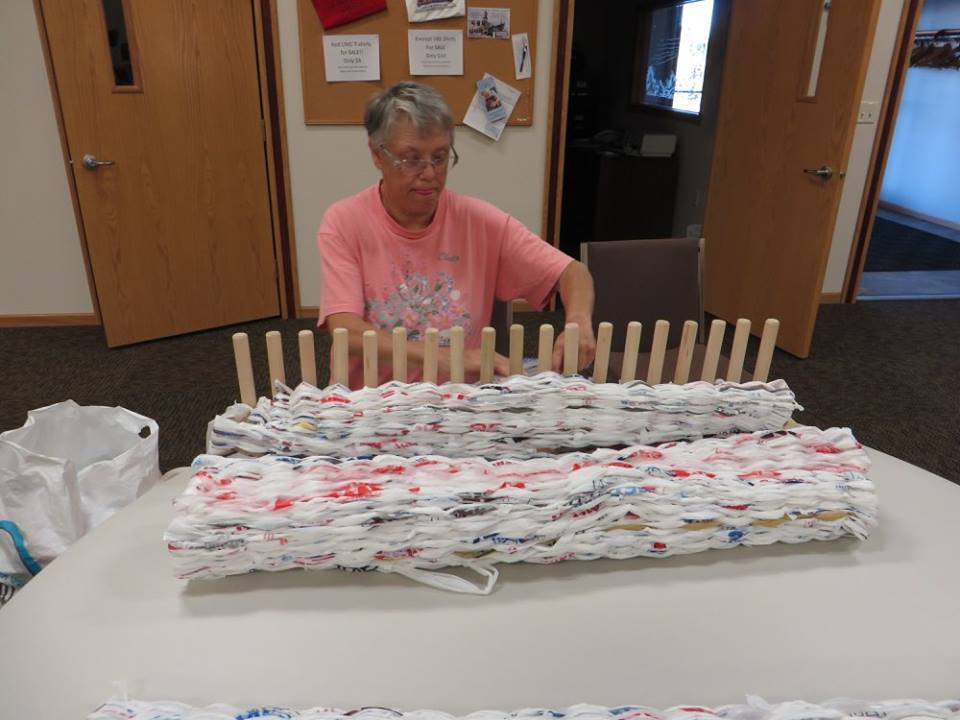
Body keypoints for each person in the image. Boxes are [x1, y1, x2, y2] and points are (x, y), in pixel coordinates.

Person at [317, 81, 596, 388]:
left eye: (439, 157)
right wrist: (445, 357)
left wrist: (579, 321)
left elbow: (573, 272)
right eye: (411, 159)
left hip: (459, 405)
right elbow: (345, 330)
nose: (429, 174)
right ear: (377, 154)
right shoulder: (344, 222)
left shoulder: (480, 222)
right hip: (372, 403)